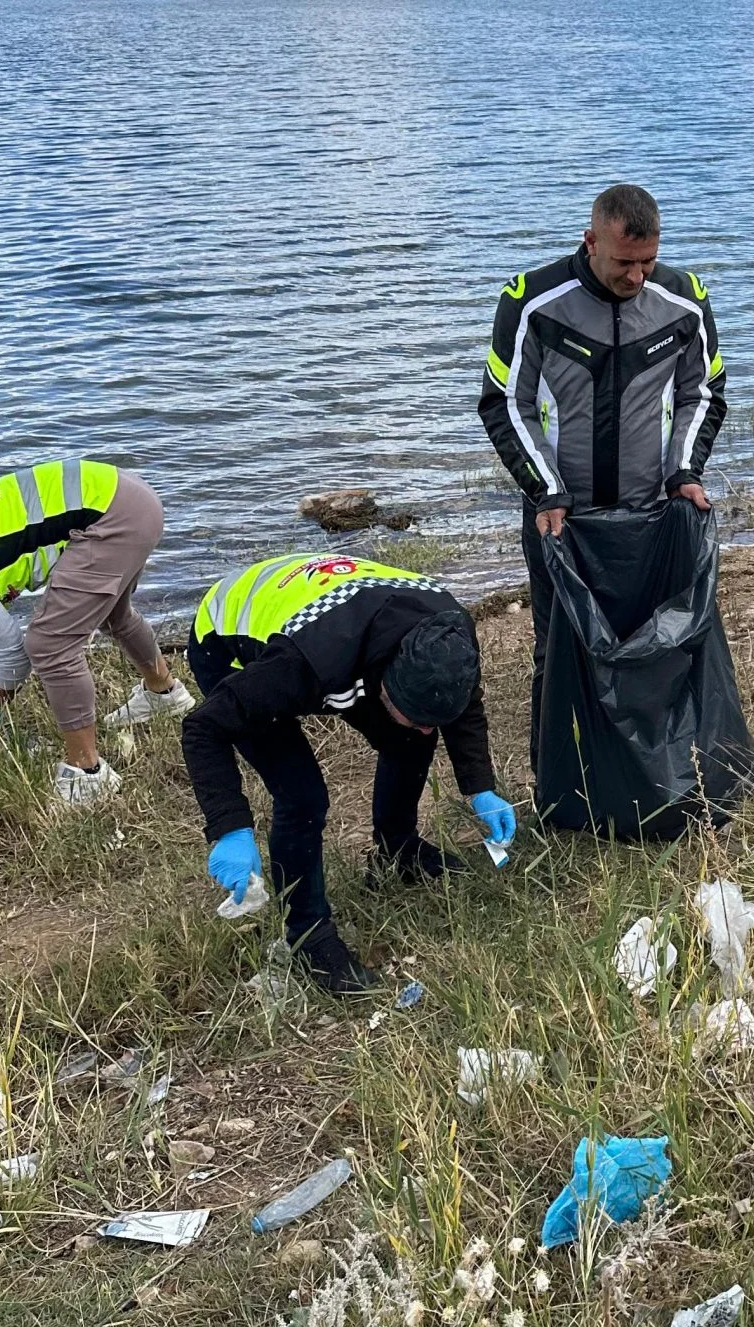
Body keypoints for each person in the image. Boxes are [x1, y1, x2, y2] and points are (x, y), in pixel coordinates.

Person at [182, 554, 516, 996]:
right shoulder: (306, 665)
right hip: (229, 641)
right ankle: (308, 937)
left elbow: (462, 706)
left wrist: (480, 787)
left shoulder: (450, 636)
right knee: (303, 796)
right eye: (413, 714)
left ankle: (397, 850)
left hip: (336, 608)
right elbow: (204, 726)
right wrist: (230, 827)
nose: (426, 730)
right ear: (380, 683)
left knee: (411, 739)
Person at [479, 182, 725, 769]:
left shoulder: (685, 298)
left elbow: (705, 392)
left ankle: (655, 778)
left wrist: (684, 472)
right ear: (590, 241)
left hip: (651, 512)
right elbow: (503, 403)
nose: (637, 276)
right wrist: (547, 491)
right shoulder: (532, 301)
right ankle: (559, 781)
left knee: (656, 646)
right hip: (563, 515)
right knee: (559, 649)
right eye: (624, 262)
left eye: (647, 261)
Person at [0, 460, 189, 806]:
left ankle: (87, 774)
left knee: (50, 644)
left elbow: (12, 654)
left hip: (115, 515)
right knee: (114, 615)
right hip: (129, 497)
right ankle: (165, 694)